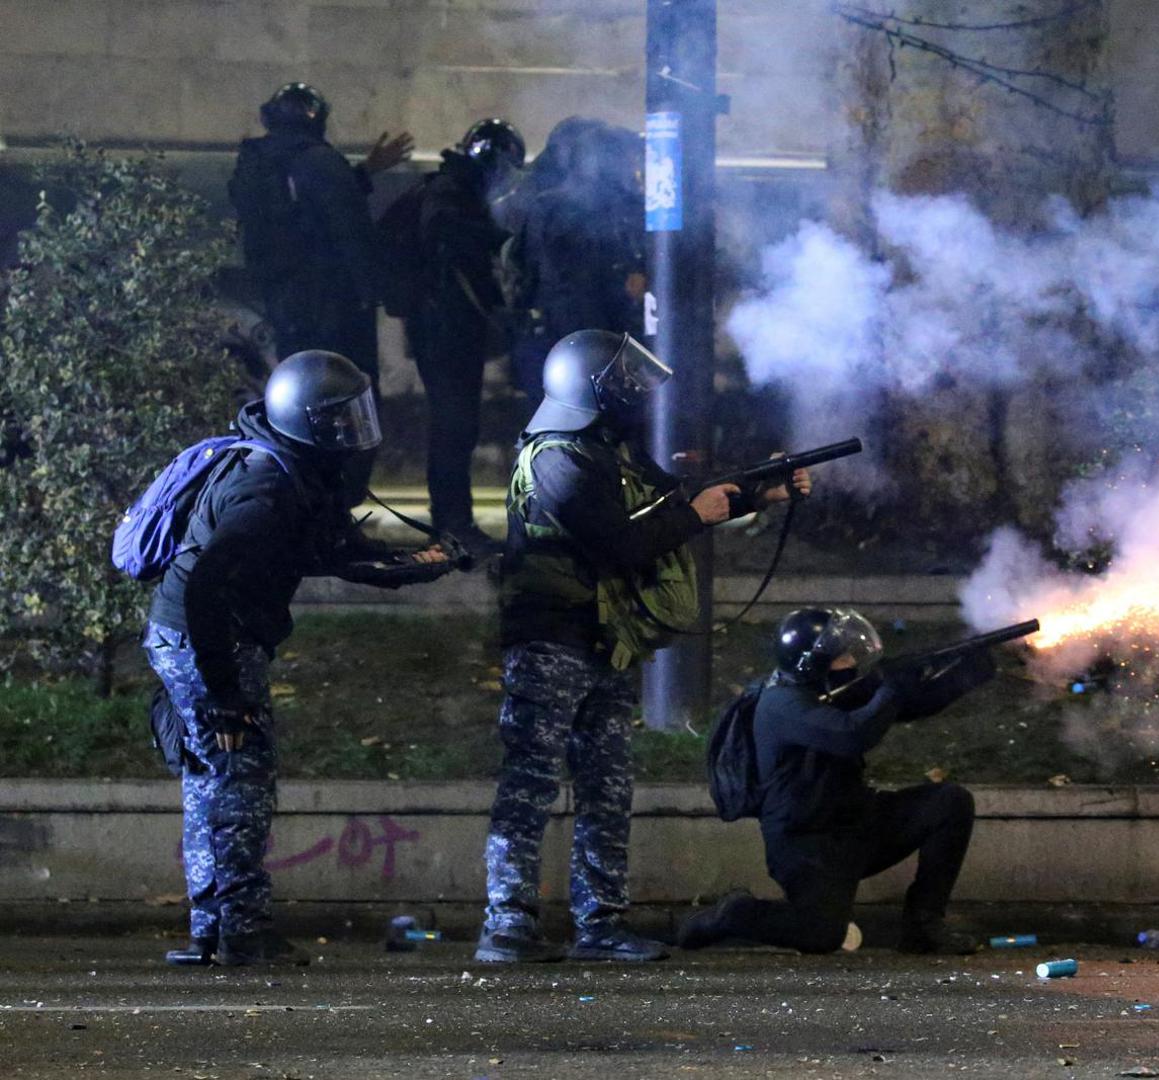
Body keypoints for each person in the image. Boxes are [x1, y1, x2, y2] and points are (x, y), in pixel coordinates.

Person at [479, 329, 811, 963]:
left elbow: (671, 501)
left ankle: (600, 924)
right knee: (529, 786)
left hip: (605, 641)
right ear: (591, 390)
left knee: (607, 789)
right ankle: (507, 925)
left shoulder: (607, 451)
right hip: (551, 642)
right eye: (622, 384)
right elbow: (622, 543)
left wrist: (757, 492)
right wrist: (698, 515)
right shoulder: (557, 458)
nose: (635, 396)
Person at [145, 351, 453, 967]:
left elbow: (325, 552)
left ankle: (212, 930)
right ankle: (243, 932)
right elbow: (207, 583)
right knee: (241, 780)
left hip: (195, 634)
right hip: (209, 636)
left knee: (212, 779)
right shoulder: (265, 489)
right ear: (305, 422)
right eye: (338, 422)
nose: (352, 434)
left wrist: (415, 567)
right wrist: (224, 693)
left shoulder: (291, 471)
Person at [677, 608, 995, 955]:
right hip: (807, 845)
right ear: (810, 663)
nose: (850, 661)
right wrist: (891, 689)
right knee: (821, 935)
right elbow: (851, 735)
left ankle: (923, 926)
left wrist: (972, 669)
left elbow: (911, 704)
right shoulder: (781, 702)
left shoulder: (830, 689)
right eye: (840, 656)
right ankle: (734, 915)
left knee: (949, 803)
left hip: (857, 821)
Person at [228, 82, 414, 506]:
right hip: (336, 311)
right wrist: (380, 291)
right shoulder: (320, 161)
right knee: (349, 406)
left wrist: (363, 173)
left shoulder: (259, 163)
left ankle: (302, 504)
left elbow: (301, 218)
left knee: (300, 407)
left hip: (287, 305)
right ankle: (338, 510)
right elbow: (349, 232)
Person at [398, 118, 525, 555]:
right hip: (445, 330)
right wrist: (498, 238)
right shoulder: (450, 191)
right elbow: (445, 234)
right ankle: (452, 524)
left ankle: (454, 522)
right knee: (453, 427)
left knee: (457, 426)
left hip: (449, 328)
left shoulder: (456, 188)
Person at [508, 121, 645, 406]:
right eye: (626, 163)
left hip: (549, 343)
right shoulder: (594, 213)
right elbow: (586, 290)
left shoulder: (547, 204)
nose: (633, 172)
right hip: (583, 345)